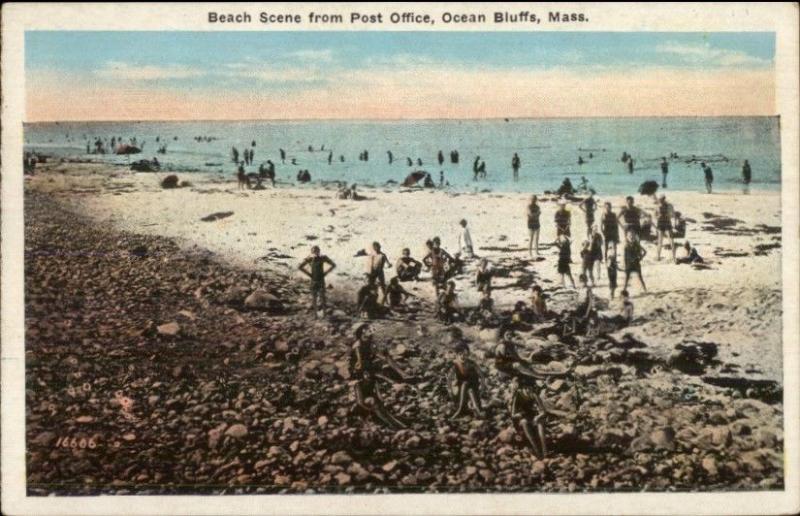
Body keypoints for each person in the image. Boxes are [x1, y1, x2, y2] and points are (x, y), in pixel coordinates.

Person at [349, 323, 407, 429]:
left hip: (368, 366)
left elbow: (375, 352)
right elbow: (358, 362)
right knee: (378, 377)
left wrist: (382, 356)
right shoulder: (358, 345)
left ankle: (402, 374)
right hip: (360, 369)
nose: (370, 330)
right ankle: (391, 422)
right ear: (362, 331)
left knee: (386, 358)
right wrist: (366, 369)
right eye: (367, 329)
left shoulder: (369, 342)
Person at [448, 341, 485, 419]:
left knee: (468, 386)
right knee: (467, 388)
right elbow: (449, 379)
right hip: (461, 389)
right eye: (460, 354)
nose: (463, 356)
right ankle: (474, 409)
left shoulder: (472, 363)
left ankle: (461, 409)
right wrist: (451, 390)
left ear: (468, 354)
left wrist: (482, 388)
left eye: (465, 354)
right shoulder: (456, 365)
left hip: (473, 385)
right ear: (457, 354)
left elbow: (481, 376)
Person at [298, 246, 336, 316]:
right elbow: (300, 267)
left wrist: (326, 273)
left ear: (319, 251)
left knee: (322, 297)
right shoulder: (310, 258)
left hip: (320, 280)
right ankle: (315, 314)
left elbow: (333, 265)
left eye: (316, 251)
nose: (315, 252)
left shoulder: (323, 257)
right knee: (314, 297)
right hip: (314, 280)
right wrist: (309, 274)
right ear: (312, 252)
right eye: (314, 251)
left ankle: (324, 314)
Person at [656, 195, 676, 261]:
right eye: (660, 200)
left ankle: (673, 257)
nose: (661, 201)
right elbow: (655, 215)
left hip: (666, 223)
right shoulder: (658, 206)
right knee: (660, 241)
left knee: (670, 240)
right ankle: (658, 257)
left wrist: (668, 214)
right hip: (662, 223)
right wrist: (658, 216)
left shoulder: (669, 206)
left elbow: (673, 215)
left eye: (662, 200)